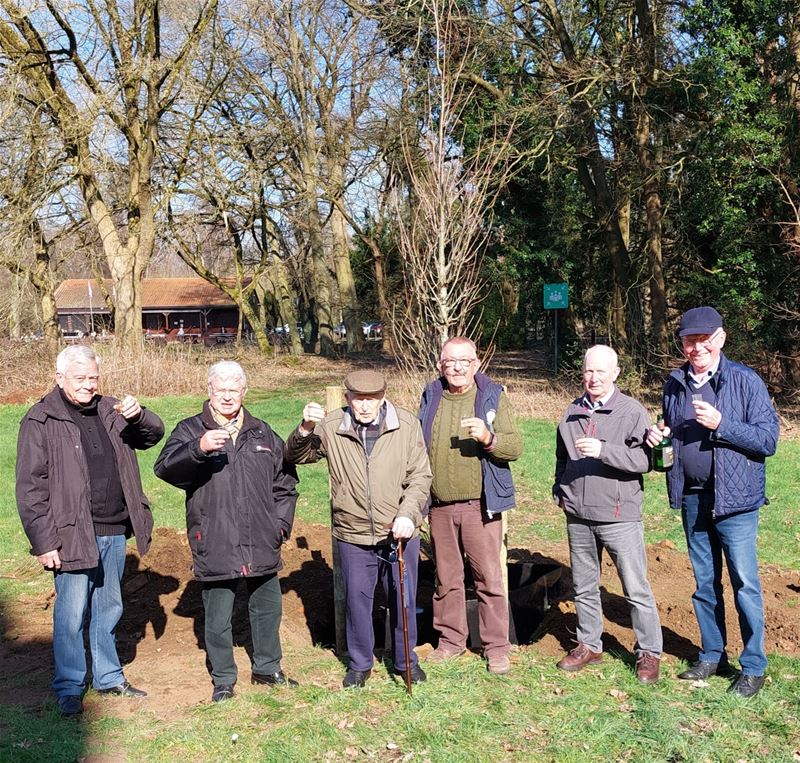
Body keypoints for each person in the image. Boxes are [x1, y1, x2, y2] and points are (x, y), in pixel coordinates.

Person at [16, 345, 164, 717]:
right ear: (59, 378)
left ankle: (109, 677)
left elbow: (152, 436)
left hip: (113, 528)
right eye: (80, 378)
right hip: (69, 534)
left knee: (109, 606)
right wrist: (44, 542)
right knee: (70, 613)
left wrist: (140, 415)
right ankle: (68, 686)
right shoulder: (41, 420)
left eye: (93, 378)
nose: (88, 385)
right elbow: (30, 487)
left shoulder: (112, 409)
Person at [646, 306, 779, 698]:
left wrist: (723, 424)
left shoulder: (745, 381)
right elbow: (669, 428)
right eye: (690, 339)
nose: (696, 346)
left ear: (720, 339)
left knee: (745, 584)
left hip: (736, 502)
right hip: (693, 497)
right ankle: (711, 654)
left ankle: (753, 666)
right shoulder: (674, 383)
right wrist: (658, 437)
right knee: (705, 584)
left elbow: (768, 440)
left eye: (704, 339)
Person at [154, 361, 298, 703]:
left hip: (262, 538)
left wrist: (280, 525)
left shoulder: (262, 433)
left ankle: (267, 668)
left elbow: (285, 484)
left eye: (235, 390)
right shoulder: (191, 430)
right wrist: (198, 449)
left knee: (267, 608)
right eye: (221, 390)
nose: (228, 397)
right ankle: (223, 679)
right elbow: (164, 469)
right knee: (218, 615)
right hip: (215, 536)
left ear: (244, 392)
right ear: (209, 391)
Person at [285, 370, 432, 688]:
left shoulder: (406, 425)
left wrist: (408, 514)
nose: (364, 406)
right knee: (357, 601)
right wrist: (305, 428)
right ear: (348, 397)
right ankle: (360, 663)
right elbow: (296, 456)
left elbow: (420, 476)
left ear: (383, 397)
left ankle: (406, 660)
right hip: (351, 533)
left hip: (398, 531)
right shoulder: (331, 425)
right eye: (358, 399)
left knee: (403, 598)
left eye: (371, 399)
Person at [553, 345, 662, 683]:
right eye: (588, 371)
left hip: (619, 516)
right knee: (584, 586)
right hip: (579, 515)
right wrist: (561, 489)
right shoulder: (572, 411)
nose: (594, 378)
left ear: (616, 373)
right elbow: (562, 457)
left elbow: (645, 461)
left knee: (635, 587)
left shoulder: (631, 412)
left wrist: (604, 451)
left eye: (601, 371)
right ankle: (589, 644)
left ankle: (648, 652)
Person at [418, 337, 522, 675]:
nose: (458, 367)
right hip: (440, 507)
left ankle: (496, 647)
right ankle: (451, 641)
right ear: (440, 365)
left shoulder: (492, 396)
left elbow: (515, 447)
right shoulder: (431, 395)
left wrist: (489, 439)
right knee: (446, 578)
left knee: (488, 577)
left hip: (480, 506)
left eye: (464, 361)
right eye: (450, 361)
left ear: (476, 364)